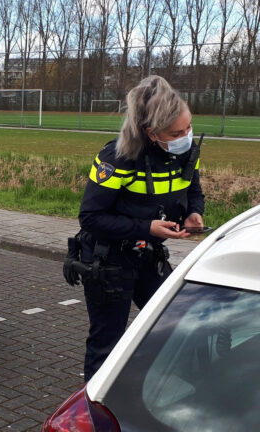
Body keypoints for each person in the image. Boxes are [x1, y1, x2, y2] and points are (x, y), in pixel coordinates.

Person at [63, 75, 205, 381]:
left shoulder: (185, 151)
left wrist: (194, 212)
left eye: (189, 127)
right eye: (176, 133)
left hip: (149, 255)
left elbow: (193, 189)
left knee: (176, 319)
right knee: (107, 341)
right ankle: (95, 403)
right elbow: (91, 217)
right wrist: (147, 227)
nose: (186, 136)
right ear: (151, 133)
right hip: (108, 260)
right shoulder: (117, 158)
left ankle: (155, 384)